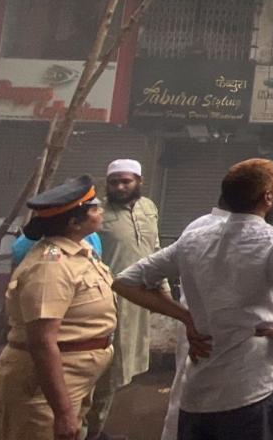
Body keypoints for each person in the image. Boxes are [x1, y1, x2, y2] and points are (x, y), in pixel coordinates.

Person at [113, 159, 273, 440]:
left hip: (198, 392)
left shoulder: (193, 239)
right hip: (253, 387)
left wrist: (185, 315)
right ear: (268, 198)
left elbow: (125, 281)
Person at [0, 176, 115, 440]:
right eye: (94, 208)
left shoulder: (80, 250)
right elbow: (42, 342)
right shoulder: (50, 267)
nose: (100, 211)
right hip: (45, 389)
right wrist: (63, 411)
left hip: (73, 378)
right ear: (73, 222)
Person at [86, 159, 161, 440]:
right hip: (105, 302)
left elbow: (154, 251)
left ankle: (95, 429)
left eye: (126, 181)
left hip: (137, 303)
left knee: (120, 369)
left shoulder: (149, 208)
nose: (119, 186)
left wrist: (162, 290)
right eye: (114, 181)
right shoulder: (96, 213)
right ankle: (84, 430)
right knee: (101, 368)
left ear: (139, 182)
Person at [159, 198, 232, 440]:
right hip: (207, 326)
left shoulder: (196, 226)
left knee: (188, 385)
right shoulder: (230, 231)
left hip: (196, 322)